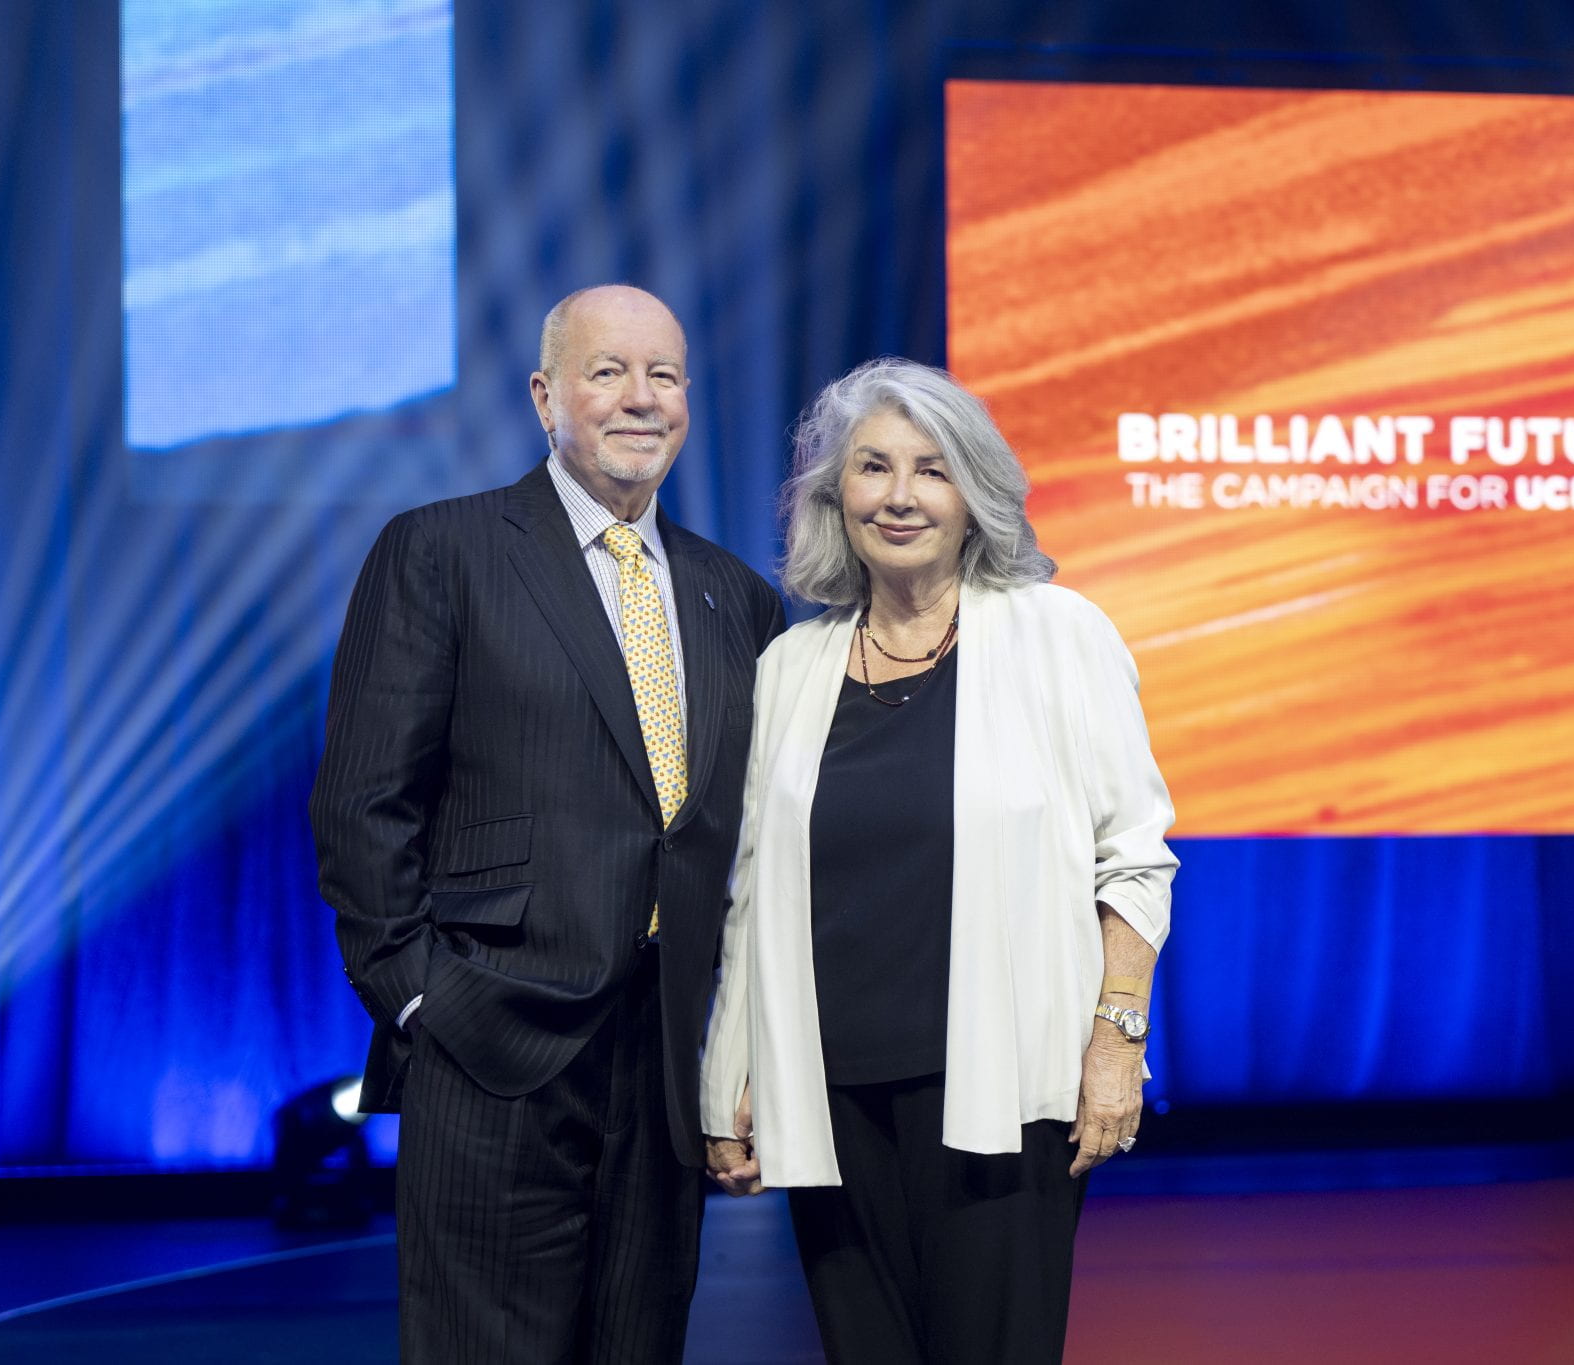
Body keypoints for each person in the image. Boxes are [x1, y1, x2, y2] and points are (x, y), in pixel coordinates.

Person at [311, 284, 784, 1363]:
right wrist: (421, 998)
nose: (640, 398)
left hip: (663, 1067)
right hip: (489, 1044)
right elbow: (362, 803)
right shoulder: (443, 550)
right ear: (544, 396)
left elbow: (745, 844)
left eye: (663, 375)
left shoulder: (735, 598)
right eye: (607, 372)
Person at [701, 358, 1176, 1363]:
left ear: (974, 494)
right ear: (835, 495)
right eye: (873, 467)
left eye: (932, 468)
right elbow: (752, 894)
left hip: (1003, 1094)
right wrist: (730, 1073)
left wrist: (1115, 1043)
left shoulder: (1058, 635)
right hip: (828, 1100)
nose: (900, 496)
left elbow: (1134, 859)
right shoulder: (790, 667)